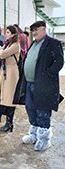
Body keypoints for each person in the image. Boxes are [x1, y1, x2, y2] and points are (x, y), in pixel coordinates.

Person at [22, 21, 64, 151]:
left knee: (43, 111)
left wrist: (48, 74)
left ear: (44, 29)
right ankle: (34, 135)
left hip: (43, 84)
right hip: (29, 83)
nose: (34, 33)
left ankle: (44, 140)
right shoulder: (34, 44)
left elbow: (59, 62)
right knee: (30, 109)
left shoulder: (53, 43)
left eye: (37, 30)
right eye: (32, 30)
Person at [0, 25, 20, 132]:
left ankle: (9, 123)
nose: (6, 34)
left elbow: (2, 54)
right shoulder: (7, 44)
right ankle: (7, 122)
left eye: (8, 32)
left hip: (11, 73)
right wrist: (0, 51)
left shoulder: (15, 45)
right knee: (3, 97)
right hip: (4, 72)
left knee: (10, 99)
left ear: (13, 34)